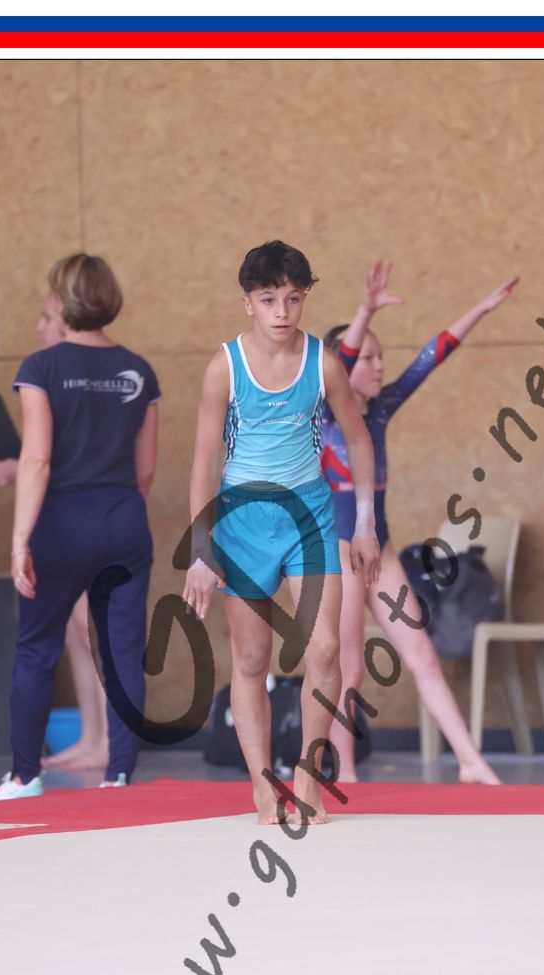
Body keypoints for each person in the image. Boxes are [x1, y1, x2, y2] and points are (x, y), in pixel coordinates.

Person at [183, 240, 381, 826]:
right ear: (248, 302)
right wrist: (201, 551)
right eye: (268, 299)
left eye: (293, 299)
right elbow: (204, 463)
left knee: (325, 649)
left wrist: (364, 524)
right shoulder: (225, 367)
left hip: (310, 519)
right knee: (251, 656)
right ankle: (262, 784)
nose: (281, 311)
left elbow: (359, 440)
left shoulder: (323, 364)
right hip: (242, 523)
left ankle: (308, 776)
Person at [322, 261, 518, 784]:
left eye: (380, 356)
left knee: (422, 653)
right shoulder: (326, 414)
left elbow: (433, 356)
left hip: (380, 551)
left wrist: (481, 309)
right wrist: (364, 311)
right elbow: (340, 358)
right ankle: (344, 773)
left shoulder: (382, 408)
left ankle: (471, 761)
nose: (379, 365)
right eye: (368, 358)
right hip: (338, 551)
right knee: (349, 666)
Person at [0, 253, 159, 801]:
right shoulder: (139, 370)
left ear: (63, 303)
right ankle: (119, 773)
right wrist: (116, 514)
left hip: (60, 524)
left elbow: (36, 460)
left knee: (37, 648)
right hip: (124, 519)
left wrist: (19, 542)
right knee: (123, 651)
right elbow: (146, 469)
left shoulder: (42, 367)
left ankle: (24, 776)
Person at [0, 294, 110, 772]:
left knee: (93, 629)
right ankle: (90, 735)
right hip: (60, 519)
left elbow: (78, 457)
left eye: (45, 318)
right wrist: (20, 466)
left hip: (88, 516)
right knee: (74, 632)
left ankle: (111, 739)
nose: (39, 326)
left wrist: (23, 465)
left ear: (64, 322)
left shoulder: (82, 377)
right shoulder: (51, 376)